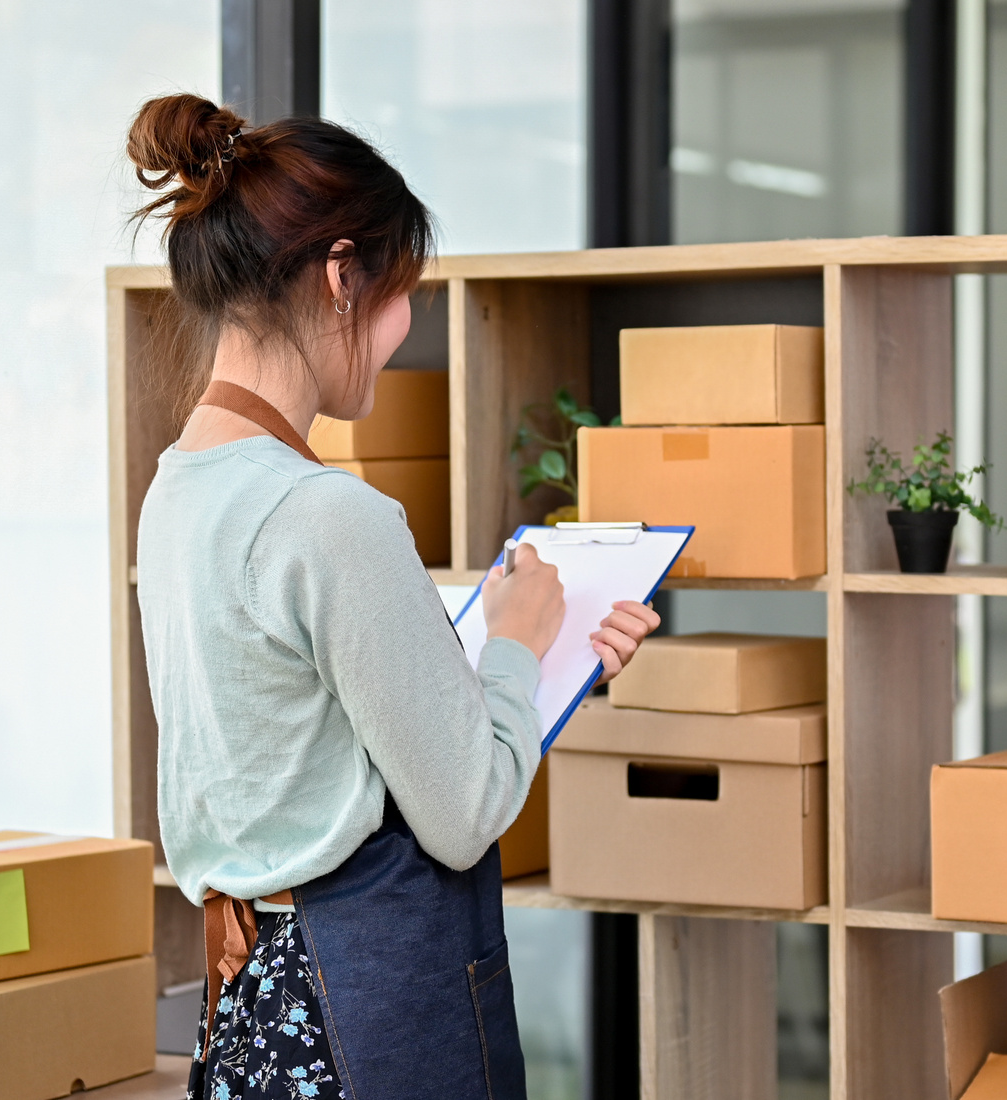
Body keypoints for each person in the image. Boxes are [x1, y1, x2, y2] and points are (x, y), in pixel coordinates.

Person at [125, 93, 660, 1100]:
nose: (407, 324)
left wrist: (532, 655)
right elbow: (462, 813)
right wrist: (518, 642)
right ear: (340, 275)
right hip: (359, 1016)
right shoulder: (333, 515)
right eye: (403, 288)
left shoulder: (176, 490)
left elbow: (300, 744)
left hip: (250, 1009)